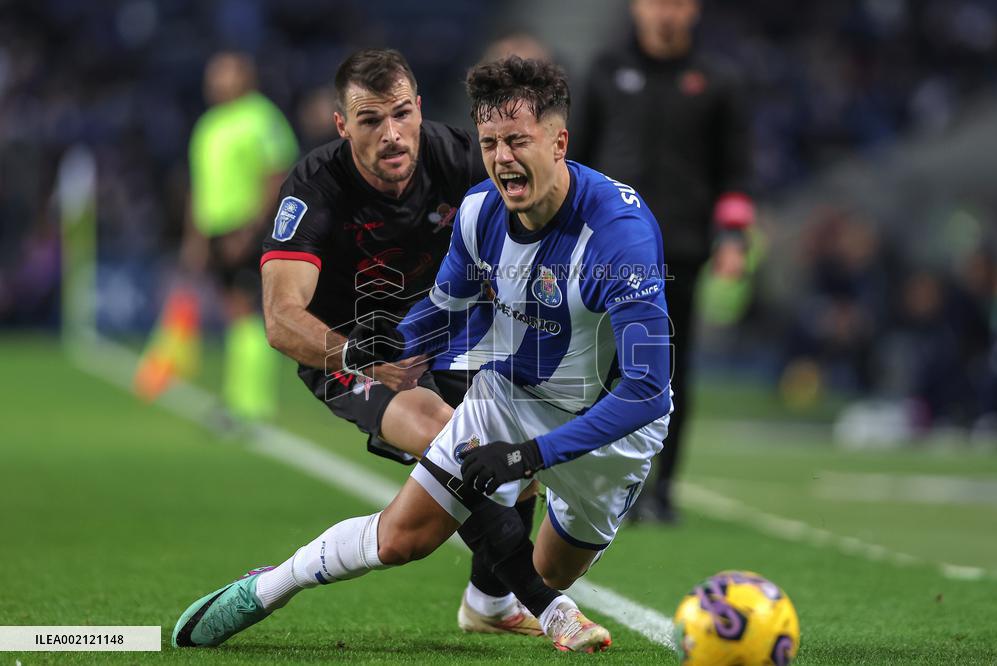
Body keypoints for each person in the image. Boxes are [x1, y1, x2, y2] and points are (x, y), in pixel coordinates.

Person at [171, 55, 670, 654]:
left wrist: (528, 457)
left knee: (539, 550)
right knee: (415, 520)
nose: (502, 158)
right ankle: (271, 587)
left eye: (517, 141)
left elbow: (647, 390)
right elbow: (427, 308)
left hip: (607, 429)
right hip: (445, 373)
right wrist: (384, 351)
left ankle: (491, 604)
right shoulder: (468, 207)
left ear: (559, 142)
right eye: (491, 143)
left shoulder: (620, 235)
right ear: (341, 125)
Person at [209, 48, 549, 639]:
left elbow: (539, 213)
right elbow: (281, 319)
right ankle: (544, 601)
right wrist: (355, 354)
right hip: (344, 348)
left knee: (499, 467)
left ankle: (488, 604)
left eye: (400, 114)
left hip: (443, 332)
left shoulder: (459, 157)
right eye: (370, 121)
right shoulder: (316, 186)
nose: (391, 135)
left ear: (419, 109)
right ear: (343, 126)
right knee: (454, 438)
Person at [572, 0, 755, 522]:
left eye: (676, 3)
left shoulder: (718, 80)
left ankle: (662, 492)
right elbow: (578, 159)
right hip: (608, 250)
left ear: (693, 10)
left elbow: (736, 168)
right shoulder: (606, 71)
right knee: (601, 365)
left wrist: (735, 238)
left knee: (671, 372)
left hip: (681, 250)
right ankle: (602, 483)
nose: (665, 14)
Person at [178, 51, 300, 420]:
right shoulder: (209, 124)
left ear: (245, 77)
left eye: (225, 75)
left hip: (247, 228)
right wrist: (195, 236)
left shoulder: (260, 117)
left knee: (248, 309)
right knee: (235, 310)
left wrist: (252, 228)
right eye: (213, 75)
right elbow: (200, 186)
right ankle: (237, 397)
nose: (216, 82)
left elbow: (277, 173)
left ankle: (252, 403)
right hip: (216, 230)